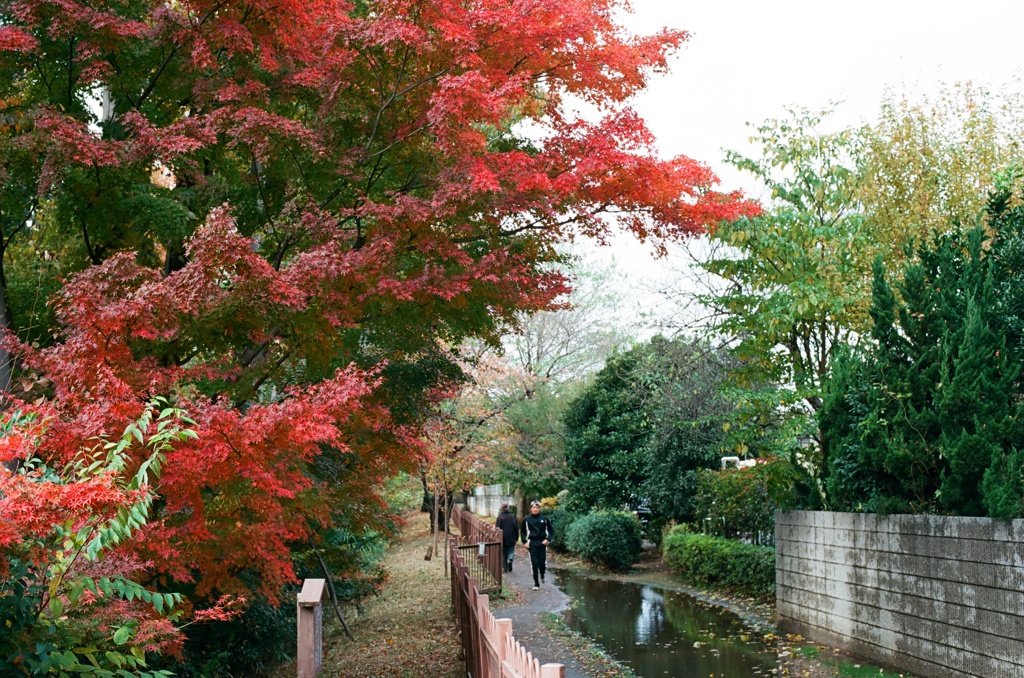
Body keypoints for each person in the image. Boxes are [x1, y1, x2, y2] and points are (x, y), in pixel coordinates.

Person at [519, 500, 554, 590]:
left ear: (539, 509)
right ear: (531, 509)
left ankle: (542, 573)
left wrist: (547, 539)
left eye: (537, 508)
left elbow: (551, 531)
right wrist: (524, 542)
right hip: (532, 543)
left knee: (541, 564)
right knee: (534, 563)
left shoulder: (544, 519)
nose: (535, 509)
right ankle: (536, 583)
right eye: (534, 507)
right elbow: (522, 532)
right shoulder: (527, 519)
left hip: (542, 543)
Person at [495, 503, 518, 573]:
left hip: (502, 538)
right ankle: (510, 558)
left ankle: (505, 568)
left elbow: (497, 528)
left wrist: (497, 537)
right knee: (510, 550)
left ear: (502, 509)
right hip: (511, 538)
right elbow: (516, 528)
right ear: (508, 508)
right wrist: (517, 537)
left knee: (504, 553)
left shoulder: (500, 517)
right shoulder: (512, 517)